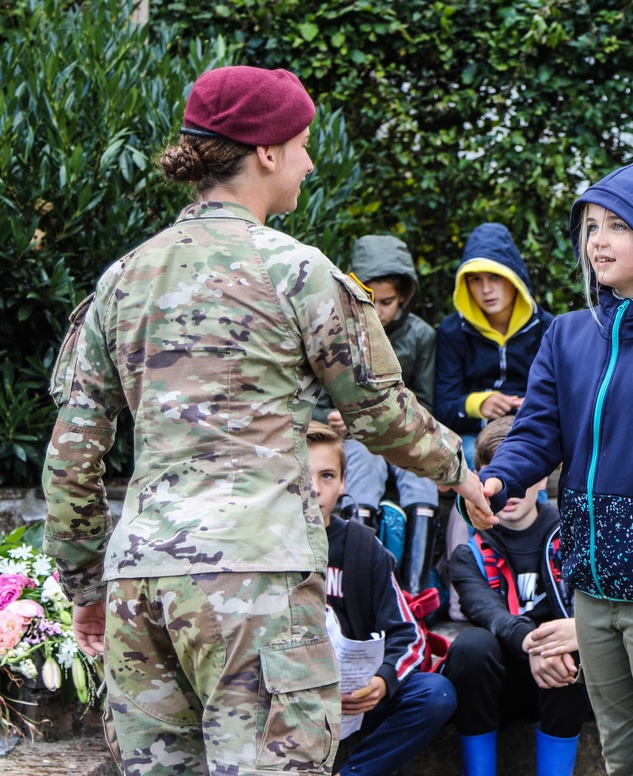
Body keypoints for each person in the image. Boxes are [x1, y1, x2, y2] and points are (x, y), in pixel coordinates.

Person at [40, 65, 493, 776]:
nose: (311, 162)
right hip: (257, 580)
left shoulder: (122, 278)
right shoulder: (299, 273)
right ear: (267, 152)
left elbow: (71, 458)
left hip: (142, 584)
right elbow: (378, 414)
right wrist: (460, 470)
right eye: (304, 144)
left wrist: (88, 588)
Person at [463, 160, 633, 775]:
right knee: (620, 757)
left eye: (618, 225)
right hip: (587, 594)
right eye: (591, 225)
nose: (598, 239)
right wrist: (499, 478)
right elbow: (537, 433)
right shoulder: (566, 336)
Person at [441, 417, 590, 776]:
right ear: (476, 480)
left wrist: (554, 645)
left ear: (542, 476)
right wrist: (533, 644)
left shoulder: (574, 538)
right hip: (496, 686)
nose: (507, 492)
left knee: (573, 642)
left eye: (520, 478)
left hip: (561, 684)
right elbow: (488, 613)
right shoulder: (469, 553)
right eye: (494, 479)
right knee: (471, 646)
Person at [307, 421, 456, 776]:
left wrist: (383, 681)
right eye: (303, 473)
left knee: (436, 693)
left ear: (344, 483)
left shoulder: (363, 545)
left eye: (327, 476)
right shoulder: (262, 548)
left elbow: (409, 635)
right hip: (289, 695)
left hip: (354, 697)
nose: (313, 488)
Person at [435, 222, 554, 620]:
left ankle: (549, 577)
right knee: (467, 467)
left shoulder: (547, 327)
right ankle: (466, 586)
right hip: (473, 436)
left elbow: (560, 394)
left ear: (514, 279)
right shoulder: (453, 331)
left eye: (495, 278)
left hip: (529, 430)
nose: (486, 289)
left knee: (537, 464)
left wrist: (529, 406)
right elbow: (443, 402)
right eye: (475, 280)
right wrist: (480, 403)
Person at [314, 234, 441, 594]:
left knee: (420, 475)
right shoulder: (335, 333)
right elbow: (314, 396)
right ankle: (360, 587)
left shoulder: (420, 335)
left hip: (404, 435)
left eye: (387, 302)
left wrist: (397, 421)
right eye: (370, 299)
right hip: (353, 440)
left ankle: (417, 592)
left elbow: (428, 401)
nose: (379, 310)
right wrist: (332, 418)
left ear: (403, 298)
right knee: (363, 473)